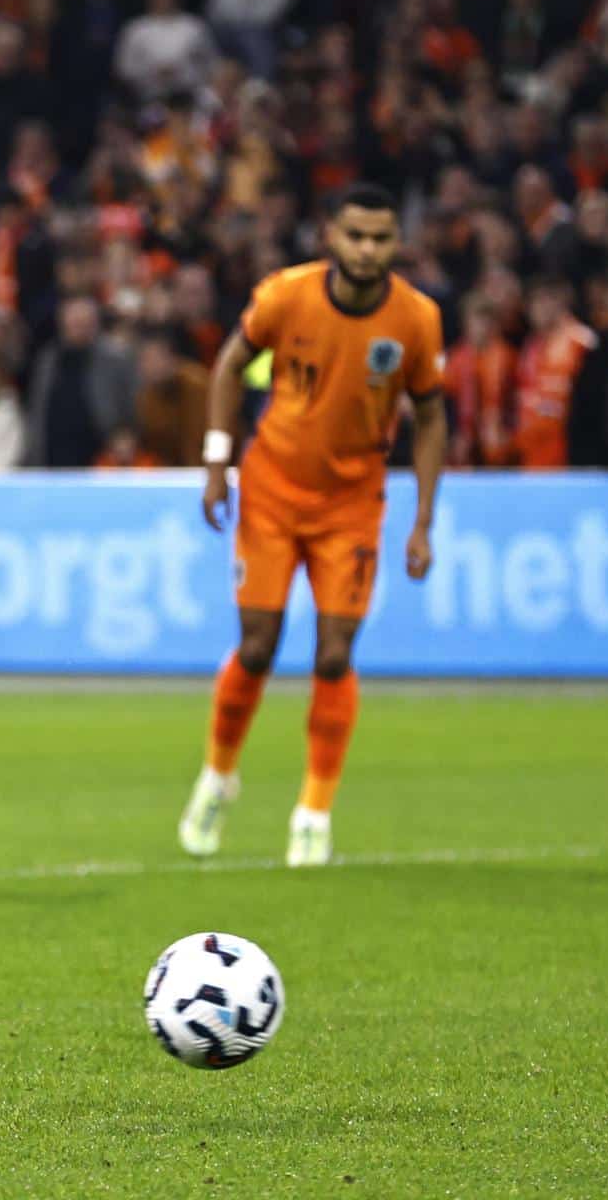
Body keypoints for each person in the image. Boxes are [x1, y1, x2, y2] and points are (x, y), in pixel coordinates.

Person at [179, 184, 447, 866]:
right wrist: (218, 463)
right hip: (271, 490)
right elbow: (230, 364)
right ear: (331, 234)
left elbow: (432, 415)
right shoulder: (285, 296)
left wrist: (422, 522)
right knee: (260, 646)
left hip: (353, 503)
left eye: (380, 238)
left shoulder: (415, 319)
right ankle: (218, 775)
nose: (367, 250)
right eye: (355, 235)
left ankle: (313, 813)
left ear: (396, 242)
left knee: (334, 654)